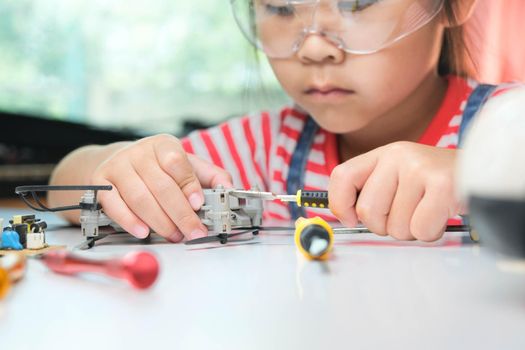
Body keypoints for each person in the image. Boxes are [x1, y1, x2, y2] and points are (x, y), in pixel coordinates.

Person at [48, 0, 519, 243]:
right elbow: (61, 185)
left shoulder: (508, 124)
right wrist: (118, 168)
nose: (315, 47)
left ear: (454, 6)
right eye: (280, 6)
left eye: (357, 1)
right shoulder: (263, 147)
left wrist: (475, 178)